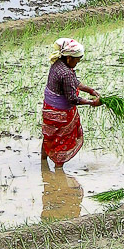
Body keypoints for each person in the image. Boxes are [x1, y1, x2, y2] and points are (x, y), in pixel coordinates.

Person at [41, 37, 102, 168]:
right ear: (69, 58)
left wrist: (90, 90)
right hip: (60, 114)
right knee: (62, 140)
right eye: (77, 60)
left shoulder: (57, 64)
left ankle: (43, 163)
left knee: (49, 135)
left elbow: (74, 82)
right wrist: (92, 103)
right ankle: (58, 170)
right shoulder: (66, 73)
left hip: (48, 108)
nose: (77, 62)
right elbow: (72, 99)